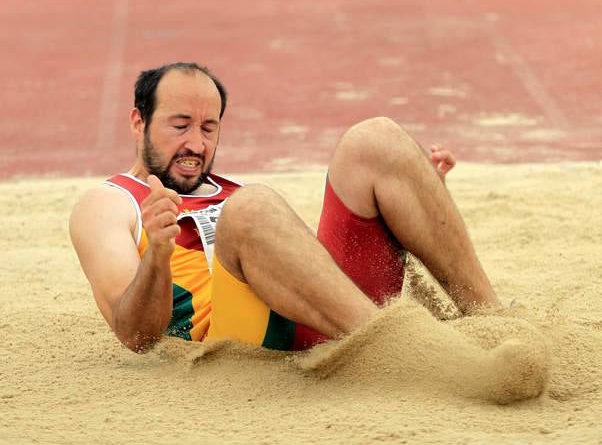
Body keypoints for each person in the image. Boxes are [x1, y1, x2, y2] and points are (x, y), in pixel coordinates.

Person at [70, 61, 500, 355]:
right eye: (180, 126)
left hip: (325, 314)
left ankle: (495, 319)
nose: (197, 145)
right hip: (242, 342)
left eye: (209, 128)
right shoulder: (108, 203)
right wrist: (158, 255)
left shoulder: (229, 190)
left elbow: (308, 267)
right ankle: (406, 350)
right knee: (251, 206)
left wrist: (412, 200)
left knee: (377, 139)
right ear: (138, 122)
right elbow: (136, 336)